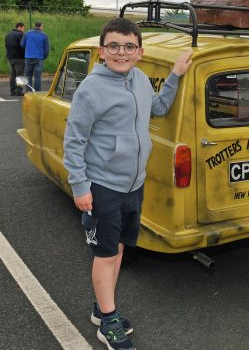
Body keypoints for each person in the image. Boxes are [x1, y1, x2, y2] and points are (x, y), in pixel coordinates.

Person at [63, 18, 192, 349]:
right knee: (105, 254)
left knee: (118, 246)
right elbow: (74, 142)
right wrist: (80, 188)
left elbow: (159, 108)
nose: (121, 52)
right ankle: (108, 322)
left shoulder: (139, 81)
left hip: (133, 184)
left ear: (140, 52)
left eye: (129, 46)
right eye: (114, 46)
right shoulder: (90, 89)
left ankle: (101, 308)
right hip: (102, 187)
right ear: (102, 50)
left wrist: (176, 75)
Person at [20, 21, 49, 92]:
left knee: (28, 76)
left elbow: (22, 44)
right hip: (39, 58)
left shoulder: (27, 33)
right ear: (41, 26)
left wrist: (27, 51)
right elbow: (47, 49)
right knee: (38, 77)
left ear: (35, 25)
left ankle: (28, 91)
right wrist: (44, 57)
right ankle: (37, 92)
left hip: (28, 57)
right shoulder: (44, 35)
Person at [5, 22, 25, 96]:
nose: (23, 30)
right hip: (19, 58)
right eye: (23, 28)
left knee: (13, 75)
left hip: (10, 57)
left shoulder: (8, 35)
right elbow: (23, 46)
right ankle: (19, 91)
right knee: (20, 74)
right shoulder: (20, 34)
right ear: (19, 27)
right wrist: (24, 56)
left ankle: (12, 91)